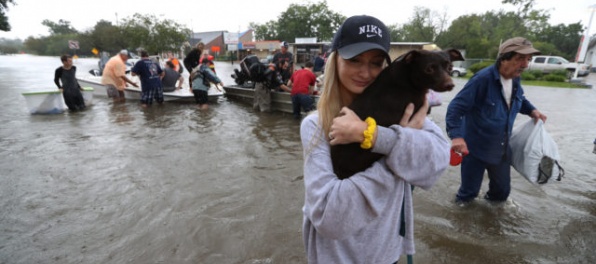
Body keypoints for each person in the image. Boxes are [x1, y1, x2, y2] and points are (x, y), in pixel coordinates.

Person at [300, 15, 450, 263]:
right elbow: (331, 219)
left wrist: (382, 138)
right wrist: (399, 153)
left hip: (386, 253)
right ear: (335, 60)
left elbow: (436, 166)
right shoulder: (317, 124)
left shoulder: (409, 112)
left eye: (376, 62)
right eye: (354, 60)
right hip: (334, 257)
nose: (365, 72)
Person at [446, 37, 548, 205]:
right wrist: (456, 137)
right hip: (474, 149)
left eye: (528, 59)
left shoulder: (515, 78)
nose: (525, 65)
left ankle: (490, 222)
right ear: (504, 58)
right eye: (520, 59)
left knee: (501, 193)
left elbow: (519, 99)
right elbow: (455, 108)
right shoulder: (481, 80)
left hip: (501, 149)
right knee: (468, 195)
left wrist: (532, 111)